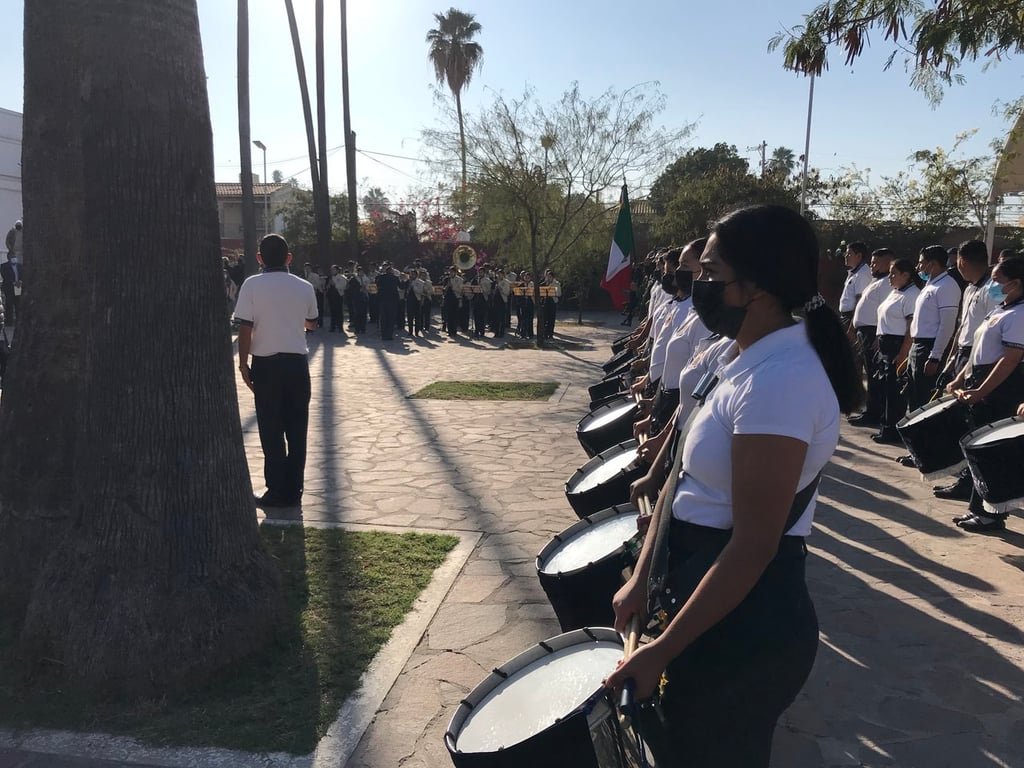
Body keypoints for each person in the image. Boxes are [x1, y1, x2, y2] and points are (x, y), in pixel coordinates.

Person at [606, 204, 863, 767]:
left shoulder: (783, 382)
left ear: (756, 287)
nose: (698, 282)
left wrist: (663, 650)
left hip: (748, 627)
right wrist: (643, 577)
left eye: (711, 273)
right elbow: (682, 476)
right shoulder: (741, 356)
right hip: (707, 596)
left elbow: (753, 546)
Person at [234, 234, 318, 508]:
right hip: (296, 364)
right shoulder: (304, 286)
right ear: (289, 258)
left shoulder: (251, 285)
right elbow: (312, 323)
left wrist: (243, 363)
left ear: (259, 258)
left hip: (266, 365)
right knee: (297, 429)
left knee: (270, 429)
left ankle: (276, 489)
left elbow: (245, 327)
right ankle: (295, 489)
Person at [945, 257, 1024, 532]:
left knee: (993, 454)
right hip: (981, 381)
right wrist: (960, 378)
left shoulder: (1019, 315)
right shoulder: (1002, 309)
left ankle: (992, 515)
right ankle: (977, 508)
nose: (992, 286)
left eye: (998, 282)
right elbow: (978, 349)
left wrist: (981, 390)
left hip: (1000, 389)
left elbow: (1010, 360)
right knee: (980, 450)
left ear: (1015, 284)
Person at [933, 240, 998, 500]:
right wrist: (951, 361)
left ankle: (971, 481)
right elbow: (963, 327)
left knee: (974, 424)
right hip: (962, 355)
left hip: (980, 358)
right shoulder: (970, 288)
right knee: (961, 422)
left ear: (962, 260)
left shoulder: (994, 289)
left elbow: (992, 331)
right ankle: (963, 477)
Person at [871, 258, 923, 444]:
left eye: (894, 273)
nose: (890, 277)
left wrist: (903, 352)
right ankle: (886, 426)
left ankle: (893, 431)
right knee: (886, 388)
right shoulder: (895, 292)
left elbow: (910, 327)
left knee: (895, 392)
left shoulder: (912, 294)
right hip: (886, 343)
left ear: (906, 275)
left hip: (898, 345)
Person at [908, 245, 961, 409]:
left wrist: (935, 356)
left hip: (930, 347)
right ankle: (913, 434)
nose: (918, 268)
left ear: (933, 264)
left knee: (925, 399)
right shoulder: (930, 285)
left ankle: (924, 434)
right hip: (918, 345)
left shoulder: (947, 286)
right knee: (914, 396)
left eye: (921, 263)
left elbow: (947, 325)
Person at [848, 248, 894, 427]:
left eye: (876, 262)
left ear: (887, 262)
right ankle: (871, 410)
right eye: (872, 261)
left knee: (875, 377)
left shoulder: (887, 284)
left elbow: (883, 312)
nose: (872, 265)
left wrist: (877, 336)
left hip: (873, 332)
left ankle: (874, 413)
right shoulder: (876, 281)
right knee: (870, 373)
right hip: (863, 331)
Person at [375, 262, 400, 341]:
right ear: (392, 272)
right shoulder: (395, 278)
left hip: (382, 300)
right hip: (392, 300)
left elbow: (377, 284)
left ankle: (383, 335)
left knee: (383, 318)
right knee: (391, 318)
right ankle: (389, 335)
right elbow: (401, 286)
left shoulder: (381, 277)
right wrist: (405, 281)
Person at [0, 251, 23, 327]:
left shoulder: (19, 266)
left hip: (18, 287)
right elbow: (5, 276)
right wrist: (13, 282)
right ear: (8, 258)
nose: (14, 258)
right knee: (9, 304)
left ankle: (19, 321)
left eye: (14, 256)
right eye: (12, 257)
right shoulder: (3, 266)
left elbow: (22, 275)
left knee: (18, 305)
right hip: (9, 288)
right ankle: (9, 322)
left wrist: (20, 281)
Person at [326, 265, 347, 332]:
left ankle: (340, 326)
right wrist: (328, 285)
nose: (333, 271)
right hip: (331, 296)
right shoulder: (330, 277)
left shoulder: (341, 277)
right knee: (333, 312)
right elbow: (326, 286)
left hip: (338, 296)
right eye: (332, 270)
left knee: (339, 312)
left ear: (337, 270)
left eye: (334, 270)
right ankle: (333, 326)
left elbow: (343, 286)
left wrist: (335, 284)